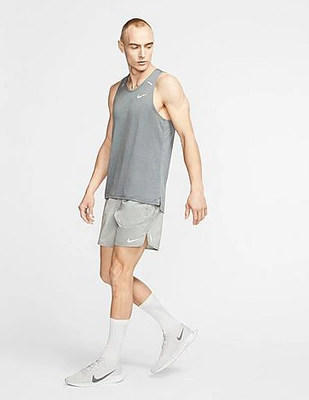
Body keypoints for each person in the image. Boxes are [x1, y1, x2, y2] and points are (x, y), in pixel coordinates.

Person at [65, 17, 208, 387]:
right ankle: (174, 329)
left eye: (148, 45)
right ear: (121, 47)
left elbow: (188, 137)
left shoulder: (166, 85)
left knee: (119, 273)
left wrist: (196, 188)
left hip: (144, 196)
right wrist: (90, 189)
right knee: (109, 275)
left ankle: (110, 362)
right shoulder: (116, 92)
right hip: (116, 193)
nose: (142, 53)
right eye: (134, 46)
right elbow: (109, 143)